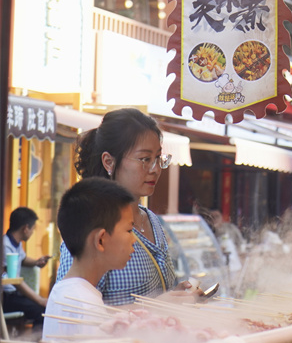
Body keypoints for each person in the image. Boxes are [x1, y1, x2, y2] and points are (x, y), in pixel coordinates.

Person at [56, 108, 192, 306]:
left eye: (158, 158)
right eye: (145, 159)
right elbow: (74, 308)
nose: (155, 169)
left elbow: (160, 291)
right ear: (109, 162)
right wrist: (159, 306)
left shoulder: (152, 220)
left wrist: (176, 295)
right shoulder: (92, 227)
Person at [42, 178, 137, 339]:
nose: (134, 239)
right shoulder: (86, 306)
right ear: (100, 240)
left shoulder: (64, 290)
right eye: (129, 230)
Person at [2, 207, 49, 328]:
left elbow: (22, 259)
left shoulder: (15, 243)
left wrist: (37, 262)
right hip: (5, 296)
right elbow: (14, 279)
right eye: (33, 229)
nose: (33, 232)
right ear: (25, 228)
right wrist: (39, 300)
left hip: (13, 294)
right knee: (41, 311)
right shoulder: (4, 245)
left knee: (41, 307)